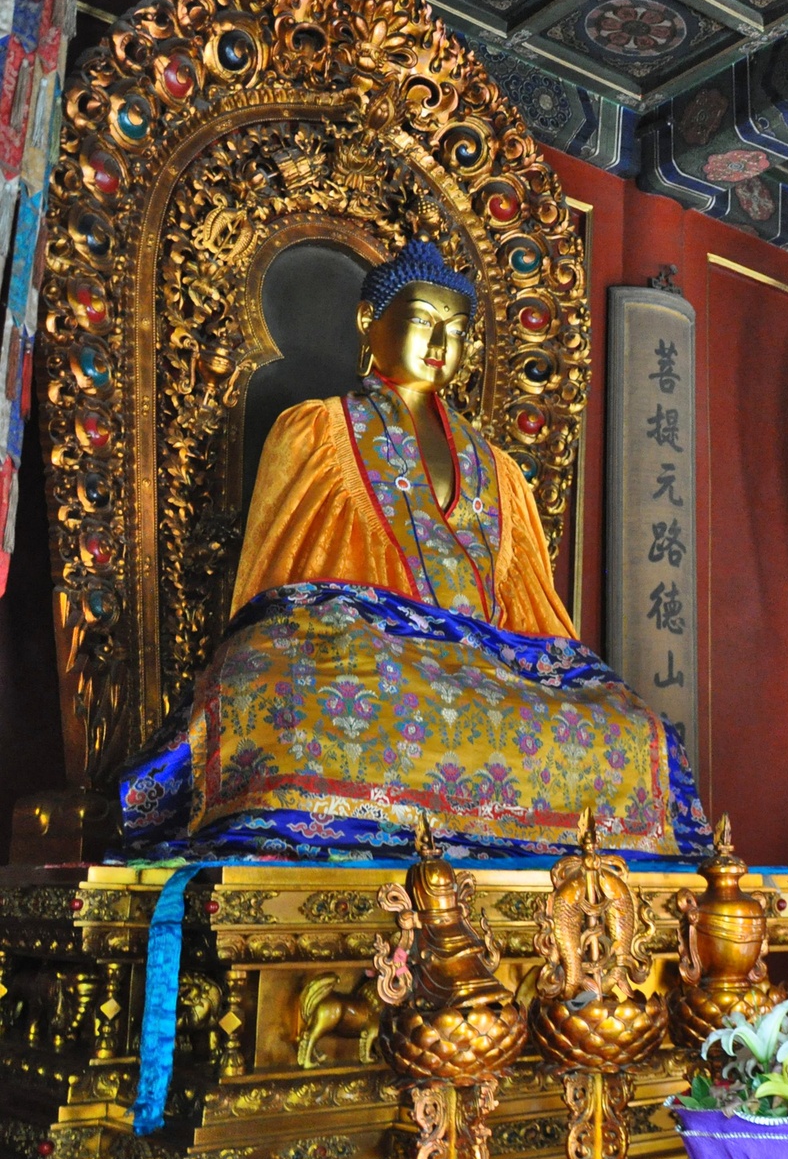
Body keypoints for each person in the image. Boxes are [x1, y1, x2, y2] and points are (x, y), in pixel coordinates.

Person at [119, 240, 707, 860]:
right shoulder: (316, 430)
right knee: (294, 690)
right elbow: (279, 593)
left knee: (630, 726)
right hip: (370, 660)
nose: (440, 343)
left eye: (457, 330)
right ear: (368, 320)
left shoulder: (501, 472)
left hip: (491, 675)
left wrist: (533, 675)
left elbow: (535, 620)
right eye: (424, 320)